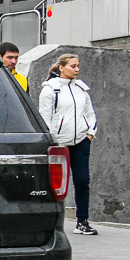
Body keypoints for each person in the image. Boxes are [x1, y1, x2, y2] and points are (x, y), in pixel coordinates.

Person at [39, 54, 98, 235]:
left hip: (80, 141)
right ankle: (48, 222)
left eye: (78, 66)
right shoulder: (50, 89)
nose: (77, 69)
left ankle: (82, 222)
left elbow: (90, 114)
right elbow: (44, 117)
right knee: (53, 184)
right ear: (62, 67)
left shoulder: (81, 89)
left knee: (82, 181)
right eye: (73, 66)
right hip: (59, 144)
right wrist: (52, 140)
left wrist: (90, 134)